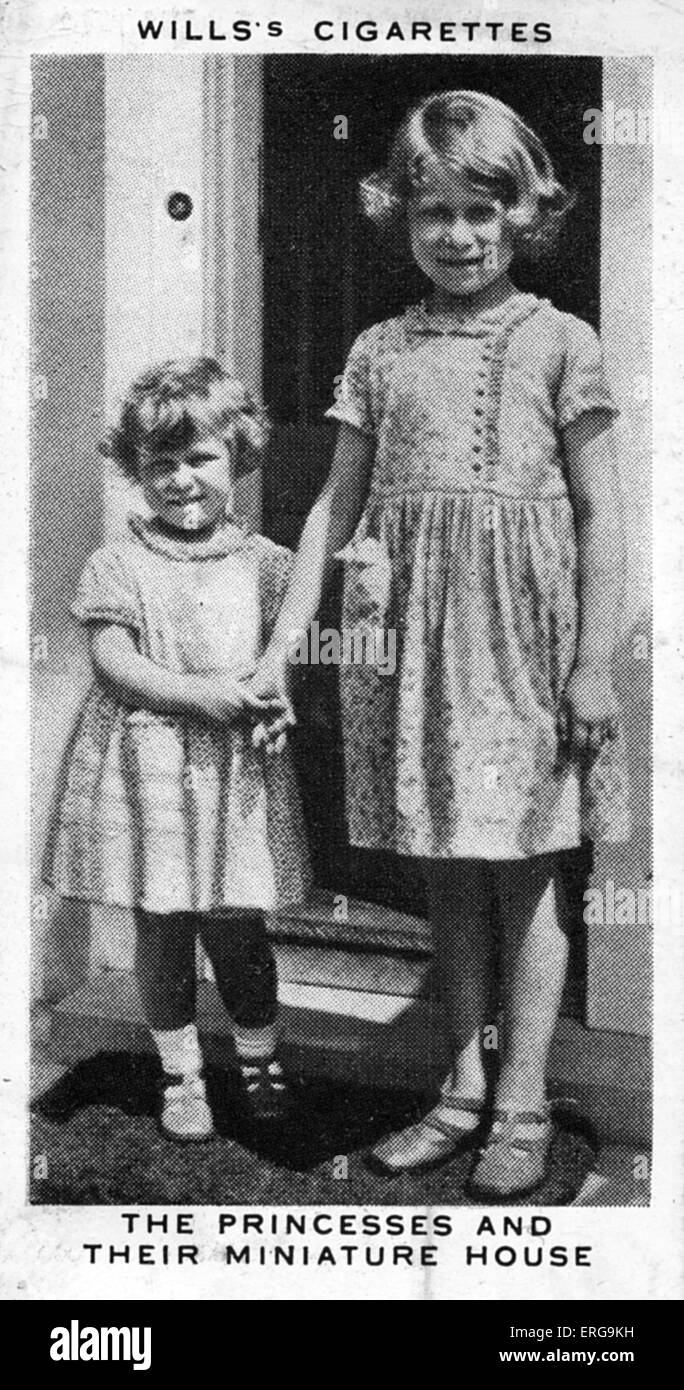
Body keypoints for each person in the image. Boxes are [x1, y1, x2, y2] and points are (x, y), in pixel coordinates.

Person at [251, 91, 630, 1197]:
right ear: (400, 218)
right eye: (435, 213)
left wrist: (594, 658)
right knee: (448, 877)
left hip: (522, 639)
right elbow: (333, 503)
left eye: (482, 209)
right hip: (407, 639)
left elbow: (605, 511)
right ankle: (460, 1088)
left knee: (527, 869)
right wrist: (286, 643)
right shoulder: (377, 350)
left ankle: (525, 1101)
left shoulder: (563, 339)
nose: (458, 234)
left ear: (525, 214)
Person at [44, 357, 310, 1142]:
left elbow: (284, 653)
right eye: (160, 464)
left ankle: (259, 1056)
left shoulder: (267, 564)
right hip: (148, 767)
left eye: (200, 458)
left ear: (240, 459)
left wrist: (271, 701)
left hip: (236, 774)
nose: (181, 480)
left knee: (237, 925)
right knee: (161, 925)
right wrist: (202, 695)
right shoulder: (117, 563)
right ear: (135, 472)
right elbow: (113, 660)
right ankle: (180, 1071)